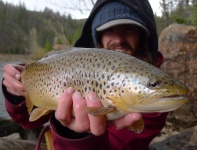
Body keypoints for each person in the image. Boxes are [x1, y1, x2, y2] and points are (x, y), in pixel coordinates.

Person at [2, 0, 168, 149]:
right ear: (98, 36)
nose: (118, 39)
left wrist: (76, 136)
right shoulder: (73, 64)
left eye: (128, 29)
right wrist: (15, 91)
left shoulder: (156, 99)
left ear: (143, 35)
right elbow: (26, 120)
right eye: (109, 29)